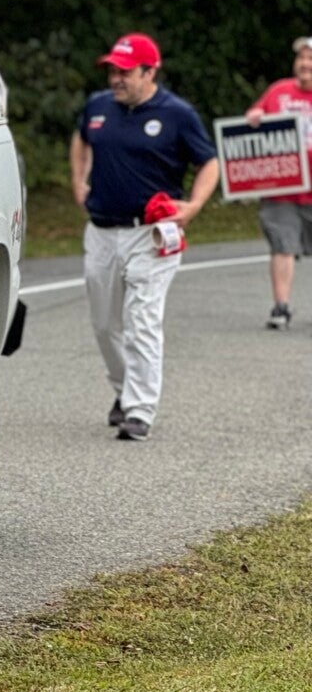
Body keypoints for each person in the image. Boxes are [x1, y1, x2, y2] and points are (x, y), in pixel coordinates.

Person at [68, 33, 220, 441]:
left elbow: (209, 163)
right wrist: (79, 181)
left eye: (125, 71)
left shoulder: (177, 114)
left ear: (150, 72)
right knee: (105, 324)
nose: (116, 79)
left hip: (151, 233)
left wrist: (194, 205)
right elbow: (82, 139)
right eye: (112, 71)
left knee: (142, 320)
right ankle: (124, 390)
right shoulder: (98, 106)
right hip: (102, 230)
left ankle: (139, 409)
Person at [241, 35, 312, 329]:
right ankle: (281, 307)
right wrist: (255, 116)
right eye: (301, 58)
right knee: (282, 245)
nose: (305, 63)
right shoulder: (279, 91)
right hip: (283, 189)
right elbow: (253, 118)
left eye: (310, 58)